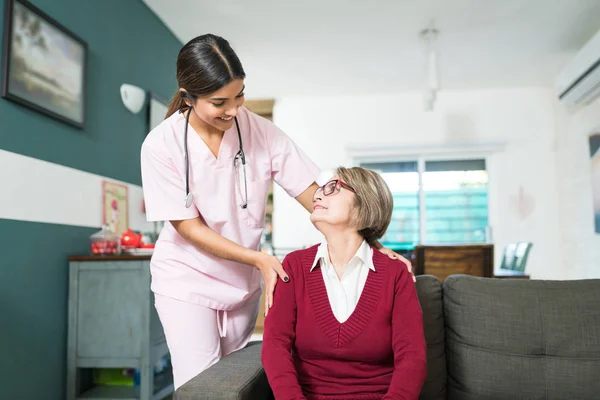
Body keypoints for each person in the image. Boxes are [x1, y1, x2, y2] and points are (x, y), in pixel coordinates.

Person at [140, 34, 414, 390]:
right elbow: (187, 227)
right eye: (219, 102)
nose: (234, 110)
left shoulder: (260, 131)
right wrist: (258, 258)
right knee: (201, 388)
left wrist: (373, 247)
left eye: (239, 95)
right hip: (186, 278)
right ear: (188, 97)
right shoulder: (161, 145)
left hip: (240, 283)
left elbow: (317, 196)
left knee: (235, 385)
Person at [262, 167, 427, 400]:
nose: (317, 196)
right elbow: (274, 347)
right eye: (319, 190)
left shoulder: (395, 274)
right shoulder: (294, 266)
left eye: (332, 188)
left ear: (363, 203)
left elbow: (412, 358)